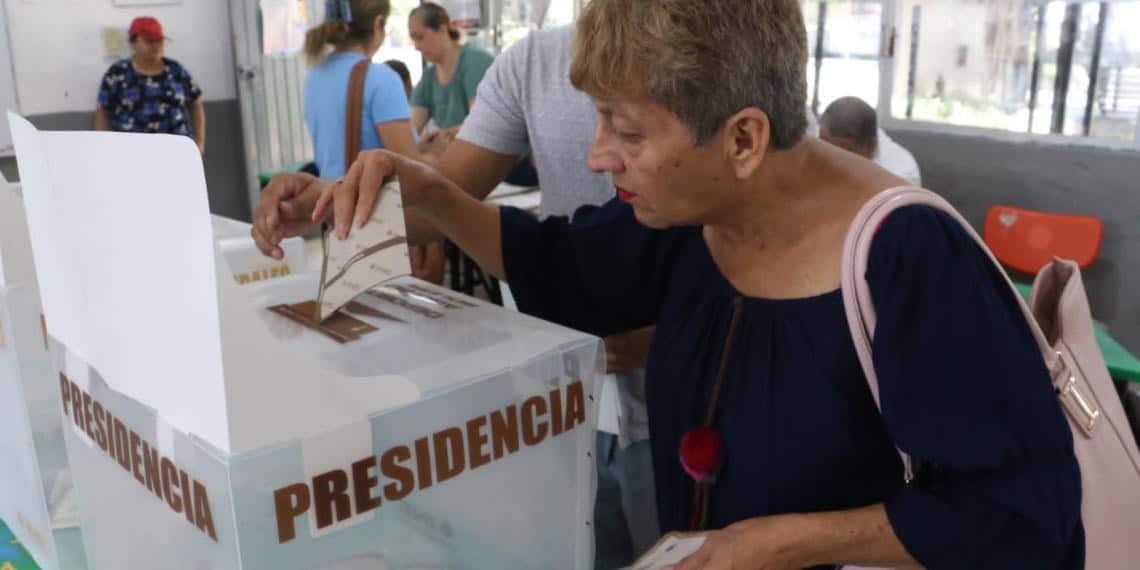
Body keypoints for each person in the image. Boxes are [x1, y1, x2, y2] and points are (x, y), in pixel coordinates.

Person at [291, 0, 1086, 567]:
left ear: (744, 137)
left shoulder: (909, 258)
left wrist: (783, 542)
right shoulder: (690, 217)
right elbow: (562, 267)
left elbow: (1019, 516)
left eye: (626, 130)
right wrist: (429, 195)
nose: (599, 156)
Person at [254, 25, 660, 569]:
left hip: (671, 398)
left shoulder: (705, 47)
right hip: (572, 392)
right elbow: (443, 200)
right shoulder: (533, 62)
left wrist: (672, 329)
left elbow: (760, 214)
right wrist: (330, 202)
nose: (599, 156)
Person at [302, 0, 443, 283]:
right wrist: (435, 155)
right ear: (378, 24)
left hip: (336, 214)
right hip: (377, 219)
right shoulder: (380, 79)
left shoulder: (314, 77)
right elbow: (412, 171)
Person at [95, 17, 206, 154]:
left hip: (176, 152)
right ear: (133, 42)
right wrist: (102, 147)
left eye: (159, 40)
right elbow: (103, 112)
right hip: (131, 153)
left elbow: (196, 103)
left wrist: (199, 142)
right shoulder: (118, 73)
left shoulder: (176, 71)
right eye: (149, 41)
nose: (156, 46)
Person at [407, 3, 493, 142]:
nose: (416, 46)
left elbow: (481, 126)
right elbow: (411, 129)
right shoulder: (429, 77)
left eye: (420, 37)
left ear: (442, 30)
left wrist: (441, 137)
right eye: (413, 39)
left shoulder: (476, 62)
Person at [818, 96, 923, 186]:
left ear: (871, 146)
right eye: (824, 150)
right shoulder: (819, 143)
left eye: (841, 156)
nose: (830, 163)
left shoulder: (901, 178)